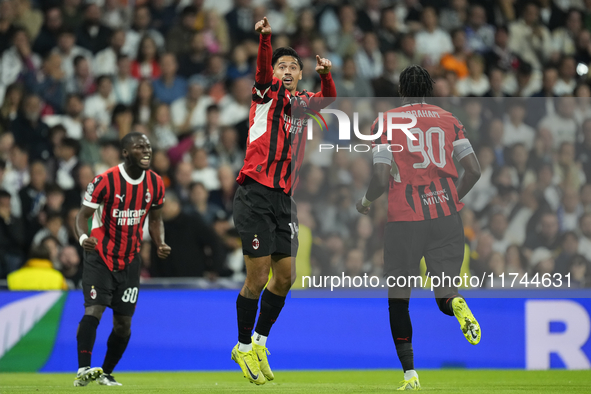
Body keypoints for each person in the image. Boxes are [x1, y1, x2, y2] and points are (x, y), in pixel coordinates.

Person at [355, 65, 481, 390]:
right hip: (447, 218)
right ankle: (455, 302)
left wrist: (366, 202)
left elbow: (381, 178)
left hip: (405, 220)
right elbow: (474, 170)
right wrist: (452, 197)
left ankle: (410, 375)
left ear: (401, 90)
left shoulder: (385, 122)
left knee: (399, 298)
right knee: (445, 292)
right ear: (430, 89)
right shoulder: (449, 119)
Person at [230, 16, 336, 385]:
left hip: (284, 199)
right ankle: (242, 346)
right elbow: (260, 70)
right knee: (257, 278)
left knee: (286, 277)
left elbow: (329, 100)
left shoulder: (304, 103)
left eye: (293, 67)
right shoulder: (265, 93)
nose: (287, 71)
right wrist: (265, 39)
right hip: (255, 193)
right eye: (282, 65)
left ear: (301, 75)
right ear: (274, 71)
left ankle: (259, 341)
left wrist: (326, 75)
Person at [73, 132, 171, 387]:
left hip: (130, 260)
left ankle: (105, 372)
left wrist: (159, 242)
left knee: (123, 324)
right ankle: (83, 368)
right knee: (94, 310)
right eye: (140, 147)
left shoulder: (156, 183)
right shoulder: (105, 181)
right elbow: (81, 216)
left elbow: (156, 219)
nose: (147, 151)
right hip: (100, 256)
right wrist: (84, 239)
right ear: (126, 152)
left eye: (149, 147)